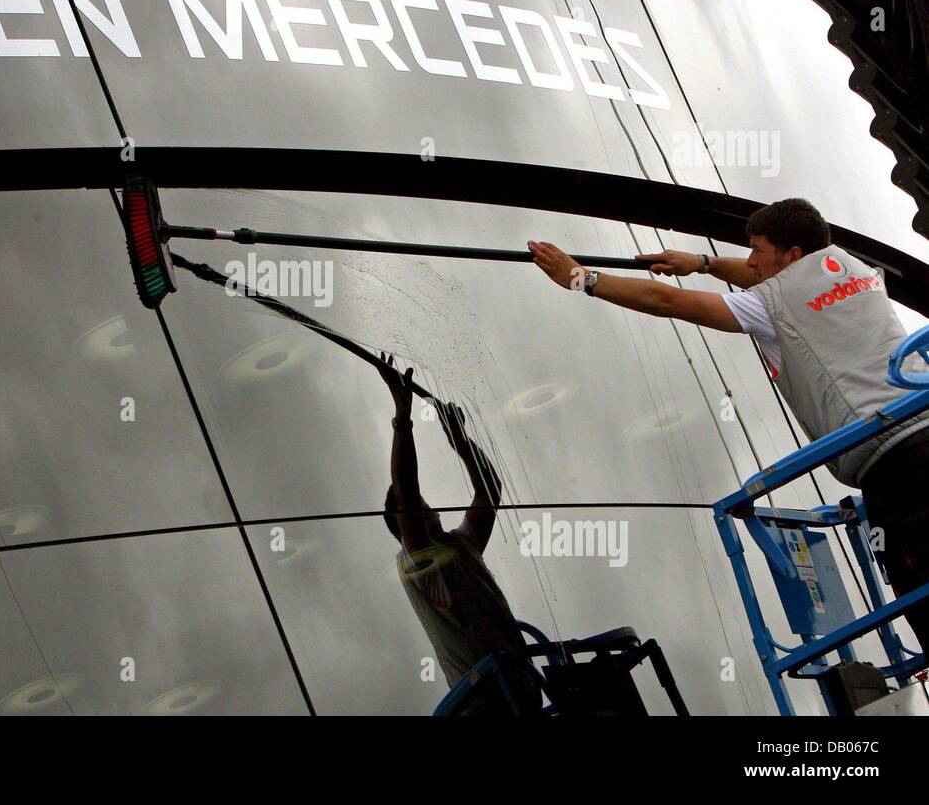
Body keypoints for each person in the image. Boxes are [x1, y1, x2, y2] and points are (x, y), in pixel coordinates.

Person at [527, 197, 929, 651]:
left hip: (895, 468)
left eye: (758, 250)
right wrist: (703, 263)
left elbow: (665, 301)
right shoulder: (848, 266)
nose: (751, 261)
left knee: (918, 586)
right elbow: (768, 279)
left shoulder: (770, 302)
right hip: (920, 430)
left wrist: (583, 279)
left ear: (793, 254)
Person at [374, 352, 542, 715]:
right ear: (403, 528)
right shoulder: (419, 563)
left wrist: (460, 440)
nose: (426, 509)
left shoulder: (459, 543)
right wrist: (403, 420)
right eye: (415, 509)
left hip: (520, 688)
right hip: (482, 705)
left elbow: (490, 488)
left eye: (425, 502)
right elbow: (405, 492)